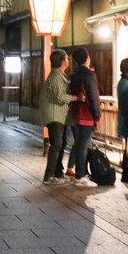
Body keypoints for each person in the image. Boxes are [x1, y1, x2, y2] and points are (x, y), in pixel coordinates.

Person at [67, 47, 101, 188]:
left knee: (79, 143)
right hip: (86, 114)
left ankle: (75, 170)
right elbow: (93, 96)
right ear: (87, 57)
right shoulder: (89, 75)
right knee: (83, 145)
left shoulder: (73, 75)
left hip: (73, 114)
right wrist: (97, 116)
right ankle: (81, 176)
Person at [39, 49, 70, 185]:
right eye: (67, 59)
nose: (68, 61)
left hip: (58, 115)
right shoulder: (56, 76)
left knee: (60, 144)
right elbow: (60, 97)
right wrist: (74, 97)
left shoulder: (58, 75)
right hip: (55, 115)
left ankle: (58, 173)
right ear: (63, 61)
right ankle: (49, 175)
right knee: (56, 144)